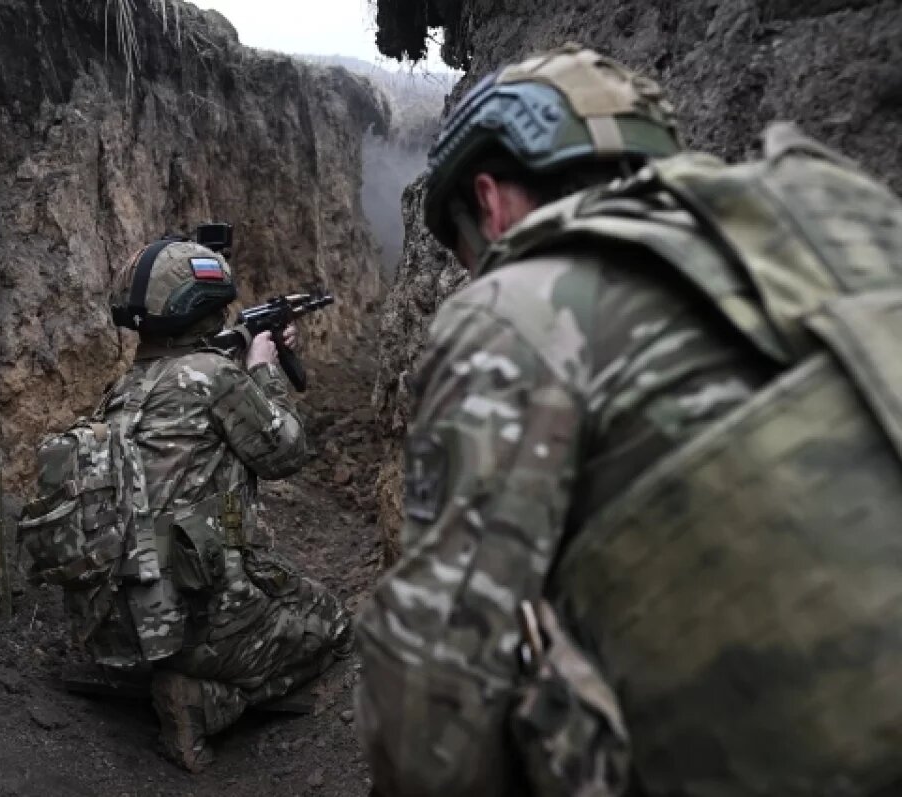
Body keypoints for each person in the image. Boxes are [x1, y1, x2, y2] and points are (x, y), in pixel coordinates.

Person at [355, 43, 902, 796]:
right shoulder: (843, 224)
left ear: (490, 201)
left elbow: (431, 693)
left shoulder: (521, 309)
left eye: (465, 251)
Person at [36, 236, 352, 772]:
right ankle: (204, 702)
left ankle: (171, 673)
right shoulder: (215, 376)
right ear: (206, 304)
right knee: (332, 625)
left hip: (119, 621)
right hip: (199, 619)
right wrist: (263, 365)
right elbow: (286, 451)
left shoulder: (126, 388)